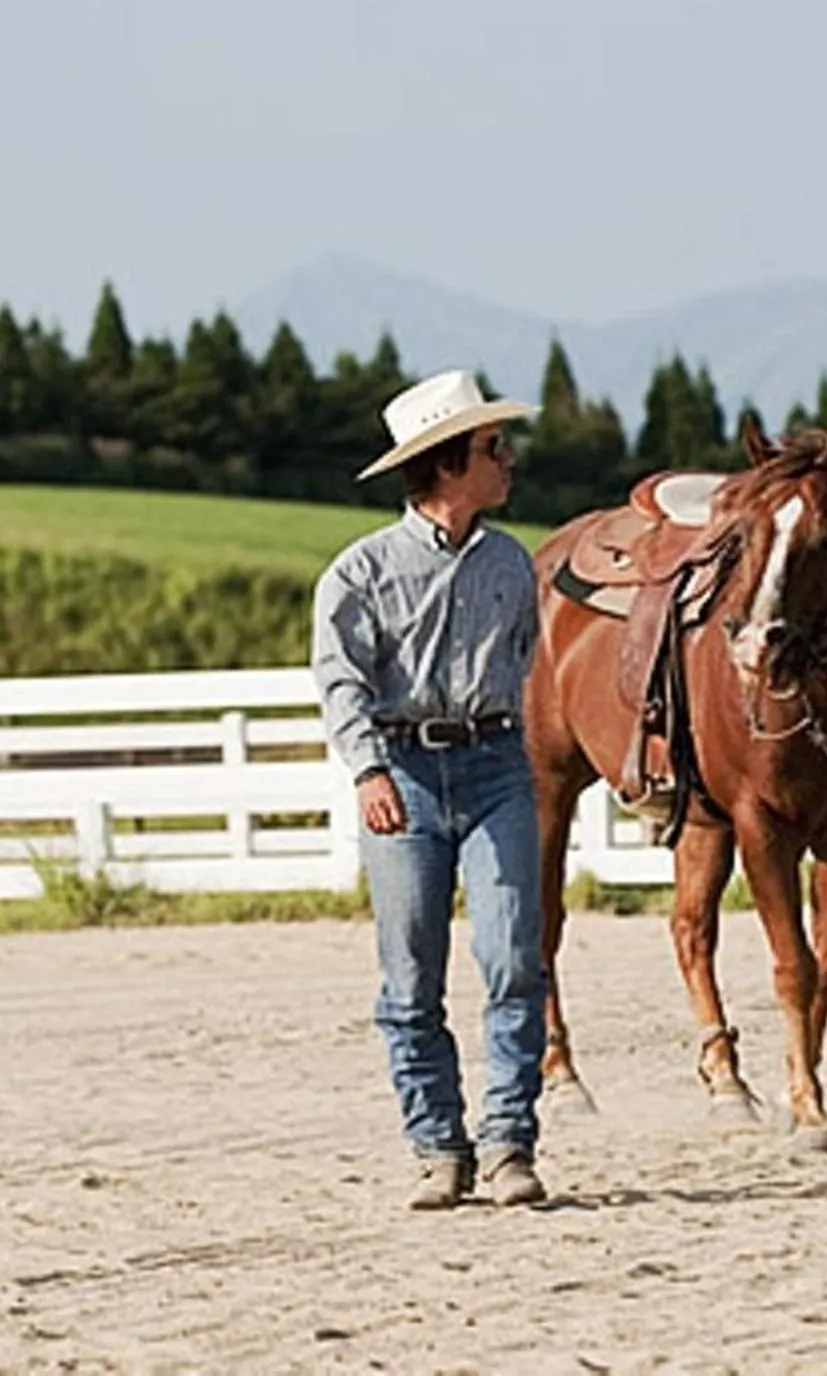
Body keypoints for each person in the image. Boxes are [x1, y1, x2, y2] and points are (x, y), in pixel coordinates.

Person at [312, 369, 549, 1211]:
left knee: (516, 953)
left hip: (495, 767)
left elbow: (523, 666)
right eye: (494, 448)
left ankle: (511, 1142)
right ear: (451, 465)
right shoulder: (359, 574)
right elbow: (340, 682)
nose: (508, 459)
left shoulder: (513, 566)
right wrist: (370, 768)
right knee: (412, 974)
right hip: (404, 776)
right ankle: (438, 1145)